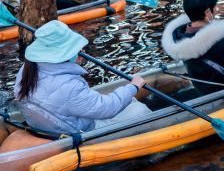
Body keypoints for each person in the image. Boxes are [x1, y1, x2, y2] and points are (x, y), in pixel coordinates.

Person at [13, 19, 149, 135]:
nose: (81, 52)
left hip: (54, 126)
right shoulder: (69, 86)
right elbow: (106, 109)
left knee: (130, 101)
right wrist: (133, 86)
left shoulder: (26, 69)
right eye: (76, 50)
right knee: (140, 110)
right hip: (80, 132)